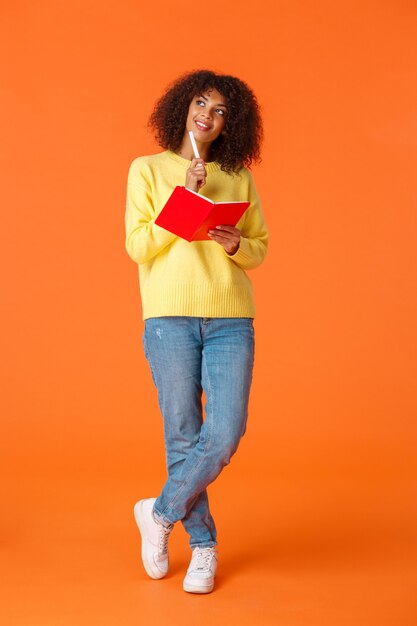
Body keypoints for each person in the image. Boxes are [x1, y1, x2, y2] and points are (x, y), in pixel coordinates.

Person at [124, 69, 268, 594]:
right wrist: (182, 198)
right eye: (200, 103)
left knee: (225, 430)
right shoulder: (147, 169)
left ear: (233, 122)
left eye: (221, 109)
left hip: (230, 316)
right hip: (168, 317)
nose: (208, 114)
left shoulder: (238, 176)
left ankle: (158, 513)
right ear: (183, 108)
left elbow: (260, 248)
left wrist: (235, 245)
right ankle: (204, 547)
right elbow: (138, 246)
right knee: (183, 434)